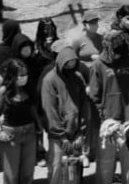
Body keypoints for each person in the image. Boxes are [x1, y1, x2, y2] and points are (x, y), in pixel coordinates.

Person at [89, 31, 129, 184]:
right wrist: (102, 119)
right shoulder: (98, 65)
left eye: (121, 52)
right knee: (105, 163)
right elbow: (94, 97)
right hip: (107, 124)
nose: (119, 56)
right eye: (116, 53)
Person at [41, 46, 88, 184]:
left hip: (76, 134)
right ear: (61, 62)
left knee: (73, 171)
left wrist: (81, 132)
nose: (71, 65)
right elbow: (50, 111)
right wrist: (61, 136)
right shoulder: (49, 80)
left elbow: (84, 106)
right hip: (58, 137)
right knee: (56, 169)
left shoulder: (77, 77)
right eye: (68, 62)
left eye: (73, 62)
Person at [0, 59, 40, 184]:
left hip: (29, 133)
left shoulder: (29, 88)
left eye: (25, 74)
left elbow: (33, 109)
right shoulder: (3, 91)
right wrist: (0, 132)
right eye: (21, 75)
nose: (24, 77)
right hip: (11, 136)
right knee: (11, 176)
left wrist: (39, 126)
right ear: (12, 75)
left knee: (28, 174)